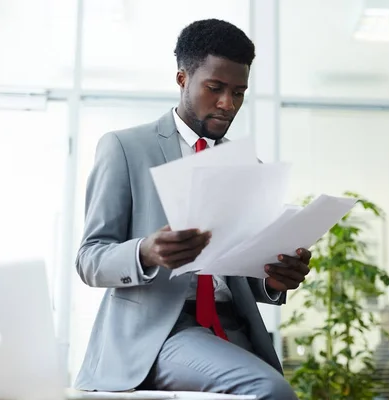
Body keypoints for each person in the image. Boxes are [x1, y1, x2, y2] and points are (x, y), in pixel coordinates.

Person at [73, 19, 310, 400]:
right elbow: (90, 259)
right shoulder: (125, 148)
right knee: (268, 390)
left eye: (239, 92)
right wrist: (145, 252)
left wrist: (274, 278)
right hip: (160, 333)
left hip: (234, 328)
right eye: (215, 88)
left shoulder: (249, 168)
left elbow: (240, 269)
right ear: (182, 79)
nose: (227, 104)